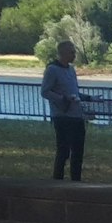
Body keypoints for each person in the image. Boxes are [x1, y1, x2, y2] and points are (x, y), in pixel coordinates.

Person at [41, 40, 85, 181]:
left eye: (74, 52)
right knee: (63, 151)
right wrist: (62, 99)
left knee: (78, 151)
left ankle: (76, 180)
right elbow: (45, 91)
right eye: (71, 52)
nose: (74, 55)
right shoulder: (52, 69)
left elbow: (75, 91)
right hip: (62, 116)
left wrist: (89, 98)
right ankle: (57, 180)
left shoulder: (71, 69)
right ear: (63, 53)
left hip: (77, 116)